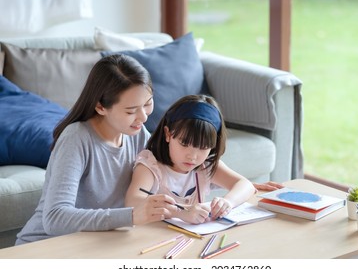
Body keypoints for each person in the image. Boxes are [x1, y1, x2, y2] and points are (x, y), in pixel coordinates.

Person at [15, 54, 178, 245]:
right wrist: (132, 215)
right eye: (131, 110)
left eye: (148, 103)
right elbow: (54, 218)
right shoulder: (76, 138)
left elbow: (172, 171)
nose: (143, 117)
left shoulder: (138, 133)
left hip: (97, 242)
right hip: (46, 246)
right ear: (101, 106)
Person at [125, 94, 270, 225]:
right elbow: (132, 202)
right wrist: (180, 212)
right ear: (168, 134)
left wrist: (227, 202)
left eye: (203, 147)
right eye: (184, 144)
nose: (193, 156)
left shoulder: (205, 167)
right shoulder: (150, 166)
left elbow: (246, 185)